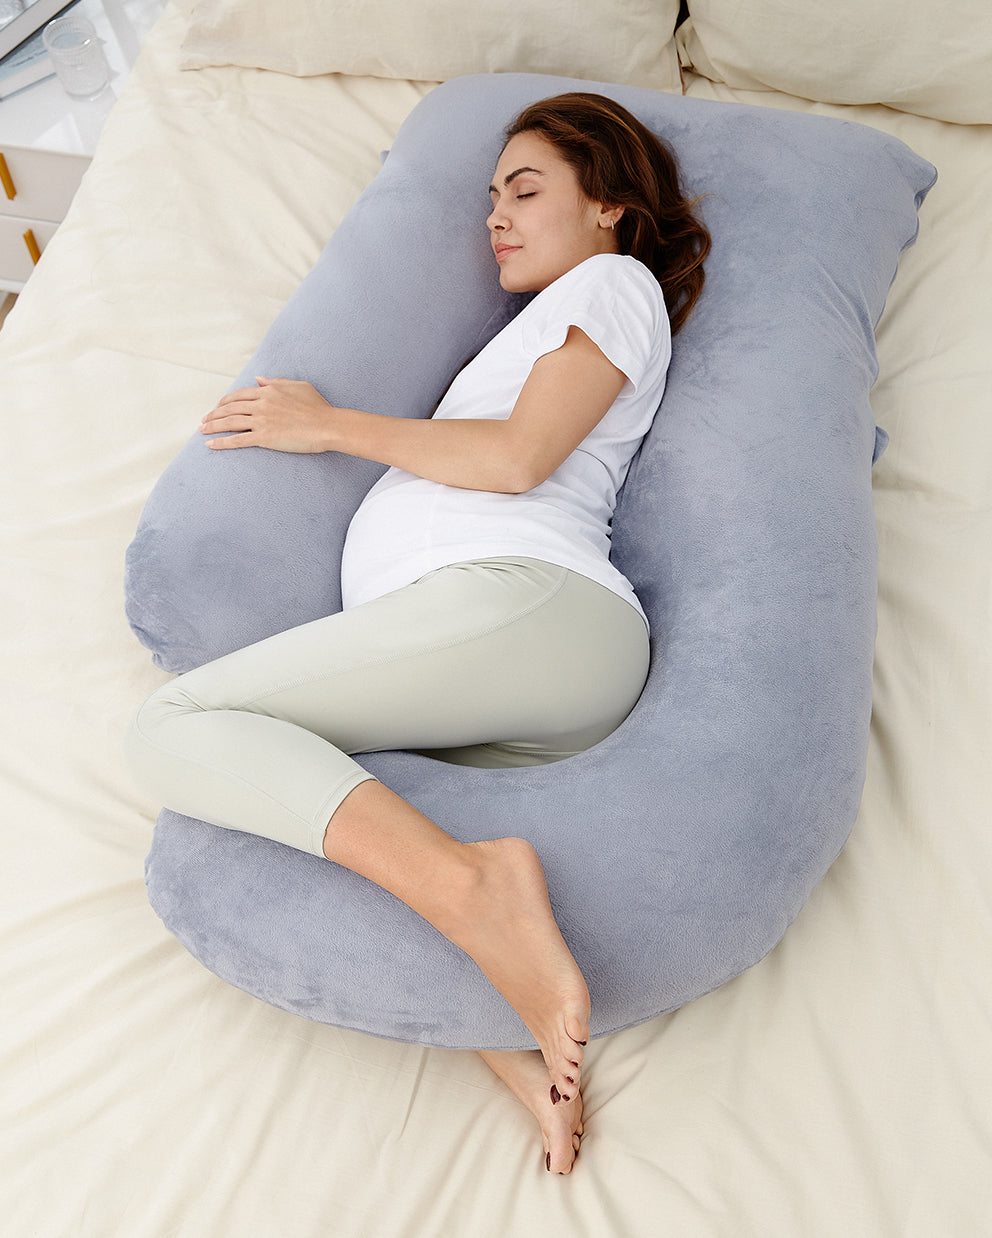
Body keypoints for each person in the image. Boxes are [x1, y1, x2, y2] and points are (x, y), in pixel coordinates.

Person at [125, 92, 710, 1175]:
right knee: (362, 833)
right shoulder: (546, 312)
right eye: (490, 194)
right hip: (497, 659)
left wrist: (325, 424)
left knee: (170, 724)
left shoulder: (614, 286)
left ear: (611, 210)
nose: (494, 214)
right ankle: (509, 1042)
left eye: (525, 190)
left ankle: (478, 892)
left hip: (525, 605)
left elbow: (517, 458)